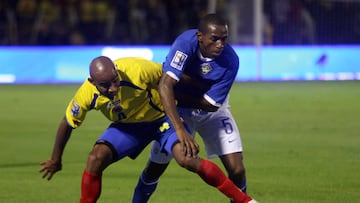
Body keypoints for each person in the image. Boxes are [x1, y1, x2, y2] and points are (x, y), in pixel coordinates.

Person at [39, 56, 255, 203]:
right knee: (95, 158)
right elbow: (66, 123)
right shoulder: (85, 95)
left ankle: (244, 200)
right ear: (92, 82)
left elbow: (171, 79)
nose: (113, 88)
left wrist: (198, 93)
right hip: (128, 129)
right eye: (106, 86)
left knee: (188, 159)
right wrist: (56, 159)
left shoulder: (138, 69)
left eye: (115, 80)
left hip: (162, 121)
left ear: (117, 70)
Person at [133, 13, 255, 203]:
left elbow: (210, 104)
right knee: (155, 168)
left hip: (212, 114)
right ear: (200, 37)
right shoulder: (185, 44)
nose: (220, 44)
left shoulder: (230, 60)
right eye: (214, 39)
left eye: (224, 39)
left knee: (237, 169)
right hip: (179, 113)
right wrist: (180, 128)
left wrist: (179, 91)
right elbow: (165, 85)